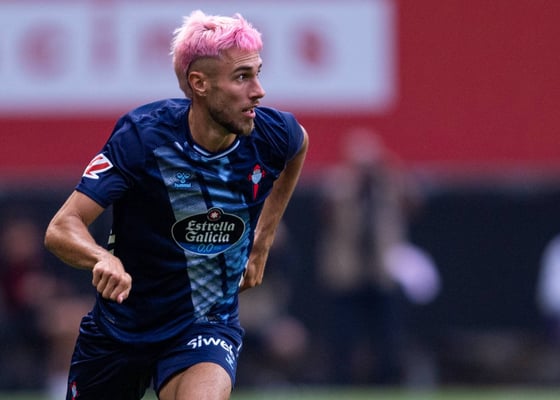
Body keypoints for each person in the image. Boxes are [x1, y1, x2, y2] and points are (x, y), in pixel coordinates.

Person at [44, 9, 308, 400]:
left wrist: (262, 241)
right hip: (121, 329)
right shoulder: (143, 137)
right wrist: (102, 258)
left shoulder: (271, 134)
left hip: (204, 325)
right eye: (242, 77)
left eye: (257, 73)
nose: (259, 91)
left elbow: (298, 144)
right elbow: (61, 227)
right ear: (199, 83)